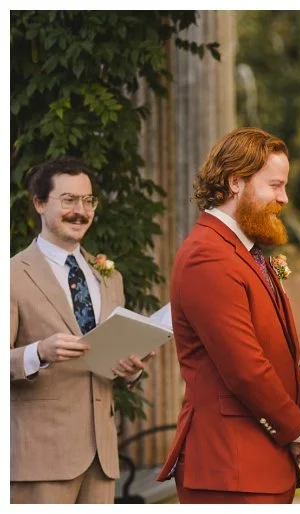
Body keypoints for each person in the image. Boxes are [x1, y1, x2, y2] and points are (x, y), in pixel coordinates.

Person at [156, 128, 300, 503]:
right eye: (275, 186)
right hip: (228, 468)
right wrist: (299, 431)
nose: (283, 198)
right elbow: (245, 368)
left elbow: (279, 355)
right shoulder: (208, 255)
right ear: (235, 182)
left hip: (259, 464)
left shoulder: (246, 251)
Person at [10, 157, 151, 503]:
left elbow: (110, 353)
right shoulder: (11, 275)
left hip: (102, 458)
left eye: (88, 201)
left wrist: (130, 370)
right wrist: (39, 352)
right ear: (40, 203)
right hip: (40, 458)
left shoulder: (109, 277)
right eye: (69, 200)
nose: (81, 211)